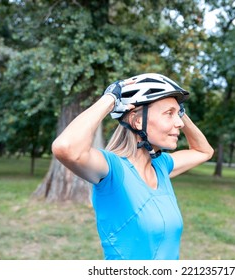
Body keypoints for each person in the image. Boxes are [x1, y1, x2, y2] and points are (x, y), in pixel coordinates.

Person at [52, 73, 214, 260]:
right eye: (169, 114)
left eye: (178, 114)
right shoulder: (113, 171)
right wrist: (111, 98)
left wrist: (180, 113)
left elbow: (204, 151)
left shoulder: (161, 166)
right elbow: (65, 148)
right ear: (138, 121)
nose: (178, 123)